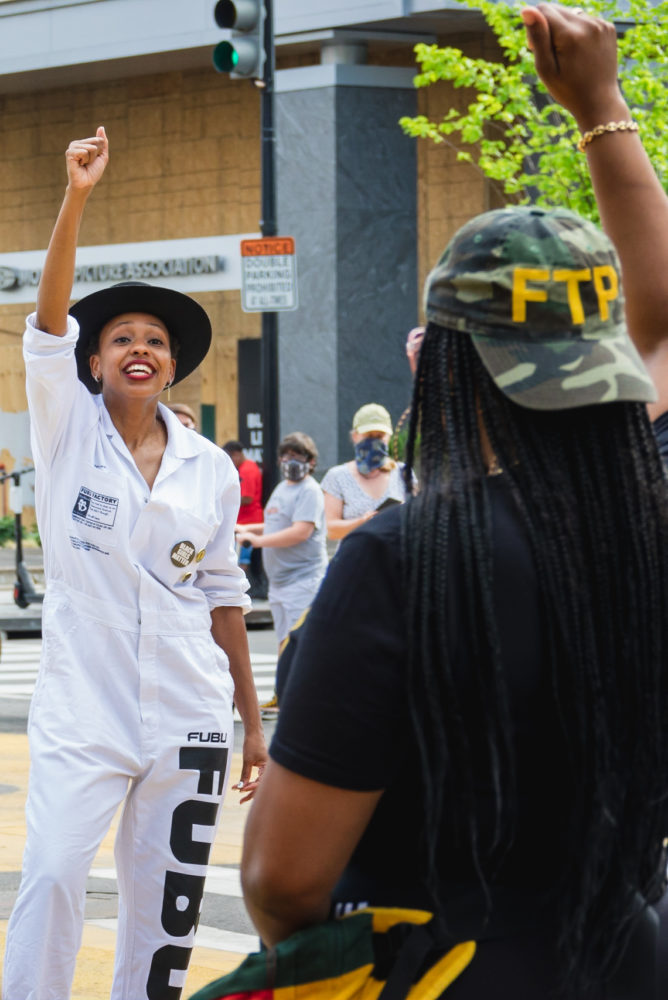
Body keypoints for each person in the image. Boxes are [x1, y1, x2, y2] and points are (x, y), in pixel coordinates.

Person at [239, 8, 668, 996]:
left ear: (449, 369)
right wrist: (600, 105)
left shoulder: (405, 558)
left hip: (447, 969)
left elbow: (283, 879)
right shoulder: (647, 532)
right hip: (627, 956)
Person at [1, 126, 265, 1000]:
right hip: (84, 706)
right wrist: (75, 197)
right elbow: (46, 323)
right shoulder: (66, 430)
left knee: (164, 909)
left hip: (189, 706)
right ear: (94, 361)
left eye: (154, 339)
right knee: (51, 875)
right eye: (121, 338)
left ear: (173, 364)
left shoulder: (211, 468)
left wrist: (251, 719)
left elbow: (224, 595)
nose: (139, 348)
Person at [235, 432, 327, 693]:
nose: (289, 461)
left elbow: (300, 531)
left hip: (303, 580)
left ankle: (303, 695)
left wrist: (256, 541)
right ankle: (282, 693)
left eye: (296, 456)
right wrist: (246, 528)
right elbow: (275, 524)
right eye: (285, 456)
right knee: (284, 639)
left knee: (301, 642)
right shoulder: (282, 488)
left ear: (310, 461)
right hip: (279, 583)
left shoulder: (310, 491)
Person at [320, 403, 407, 543]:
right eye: (369, 435)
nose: (374, 442)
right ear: (355, 436)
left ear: (388, 438)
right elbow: (331, 530)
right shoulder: (337, 476)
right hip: (355, 554)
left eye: (380, 436)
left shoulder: (403, 473)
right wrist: (363, 522)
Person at [222, 440, 266, 600]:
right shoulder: (246, 468)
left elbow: (247, 498)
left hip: (249, 522)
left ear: (236, 455)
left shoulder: (247, 470)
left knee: (243, 560)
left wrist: (224, 499)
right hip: (245, 522)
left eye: (229, 458)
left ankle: (244, 591)